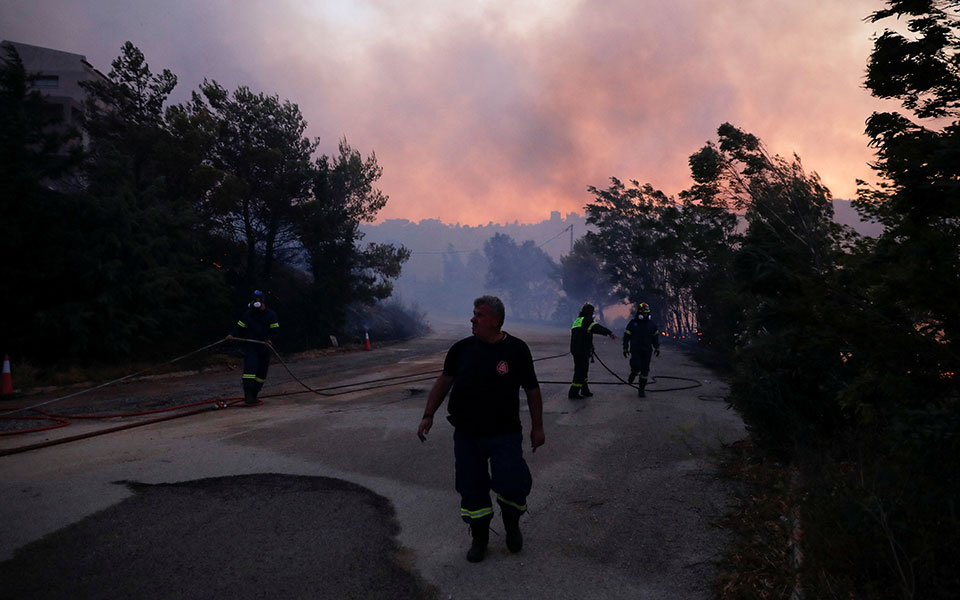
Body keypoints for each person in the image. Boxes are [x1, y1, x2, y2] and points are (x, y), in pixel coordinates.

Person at [417, 296, 545, 563]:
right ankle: (480, 538)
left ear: (496, 321)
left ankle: (512, 525)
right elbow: (444, 381)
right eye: (473, 314)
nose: (473, 319)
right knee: (472, 488)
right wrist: (428, 415)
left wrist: (538, 428)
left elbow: (532, 390)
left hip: (505, 433)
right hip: (467, 435)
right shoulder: (461, 349)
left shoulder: (517, 350)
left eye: (480, 315)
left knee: (512, 484)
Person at [226, 290, 279, 405]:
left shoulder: (271, 315)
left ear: (262, 301)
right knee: (250, 370)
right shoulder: (248, 315)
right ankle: (248, 394)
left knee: (261, 373)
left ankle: (255, 392)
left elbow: (275, 331)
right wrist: (231, 335)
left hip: (264, 347)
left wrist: (269, 340)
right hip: (251, 347)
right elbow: (238, 327)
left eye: (258, 300)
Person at [568, 302, 616, 399]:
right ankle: (573, 393)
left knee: (583, 370)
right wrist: (609, 333)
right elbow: (597, 328)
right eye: (593, 312)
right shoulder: (587, 321)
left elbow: (585, 335)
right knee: (580, 371)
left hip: (577, 349)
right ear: (590, 312)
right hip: (581, 350)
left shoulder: (578, 320)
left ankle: (585, 390)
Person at [622, 302, 660, 397]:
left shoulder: (652, 325)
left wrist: (657, 347)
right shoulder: (633, 323)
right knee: (636, 366)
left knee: (645, 370)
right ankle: (633, 373)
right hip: (635, 349)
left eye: (647, 313)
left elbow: (655, 337)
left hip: (647, 351)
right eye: (644, 313)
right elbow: (626, 337)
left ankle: (641, 390)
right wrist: (625, 348)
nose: (645, 315)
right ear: (639, 313)